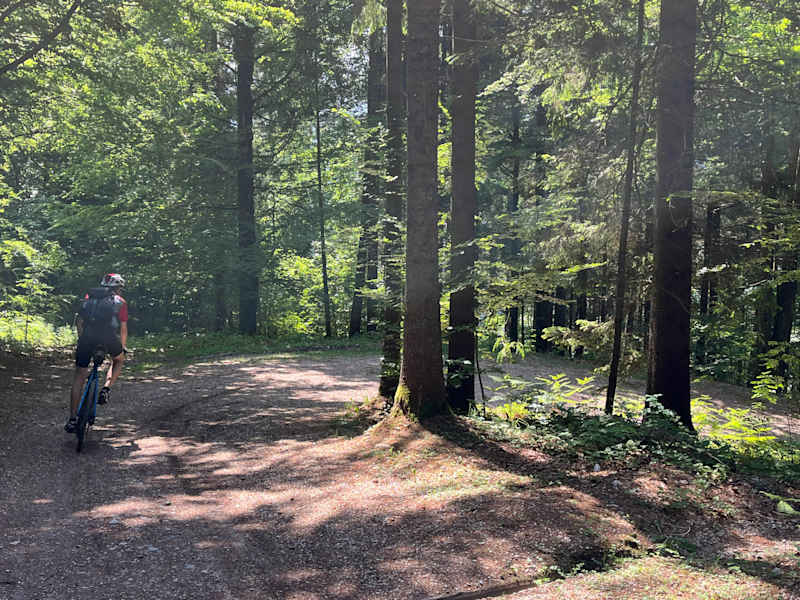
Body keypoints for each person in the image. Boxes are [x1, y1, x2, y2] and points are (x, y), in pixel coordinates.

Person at [65, 273, 129, 433]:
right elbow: (123, 328)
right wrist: (122, 346)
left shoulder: (89, 297)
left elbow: (79, 322)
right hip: (108, 337)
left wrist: (82, 339)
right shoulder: (120, 302)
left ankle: (72, 419)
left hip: (87, 337)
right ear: (118, 288)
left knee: (79, 375)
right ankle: (106, 388)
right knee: (118, 360)